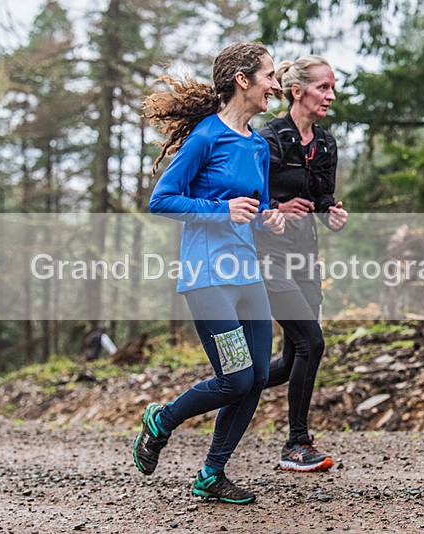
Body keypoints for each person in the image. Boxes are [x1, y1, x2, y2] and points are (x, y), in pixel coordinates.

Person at [132, 42, 285, 505]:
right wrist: (221, 210)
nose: (275, 85)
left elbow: (255, 205)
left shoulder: (257, 145)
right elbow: (162, 200)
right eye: (270, 76)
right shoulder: (205, 137)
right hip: (208, 277)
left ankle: (211, 475)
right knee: (235, 378)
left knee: (257, 375)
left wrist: (269, 215)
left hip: (247, 276)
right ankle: (163, 420)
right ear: (244, 80)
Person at [256, 56, 348, 472]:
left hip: (306, 258)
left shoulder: (326, 144)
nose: (331, 95)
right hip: (269, 257)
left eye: (332, 88)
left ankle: (224, 387)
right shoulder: (268, 139)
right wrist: (277, 206)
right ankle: (296, 443)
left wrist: (333, 215)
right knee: (312, 342)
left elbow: (324, 200)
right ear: (298, 91)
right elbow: (249, 198)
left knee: (293, 359)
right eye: (324, 87)